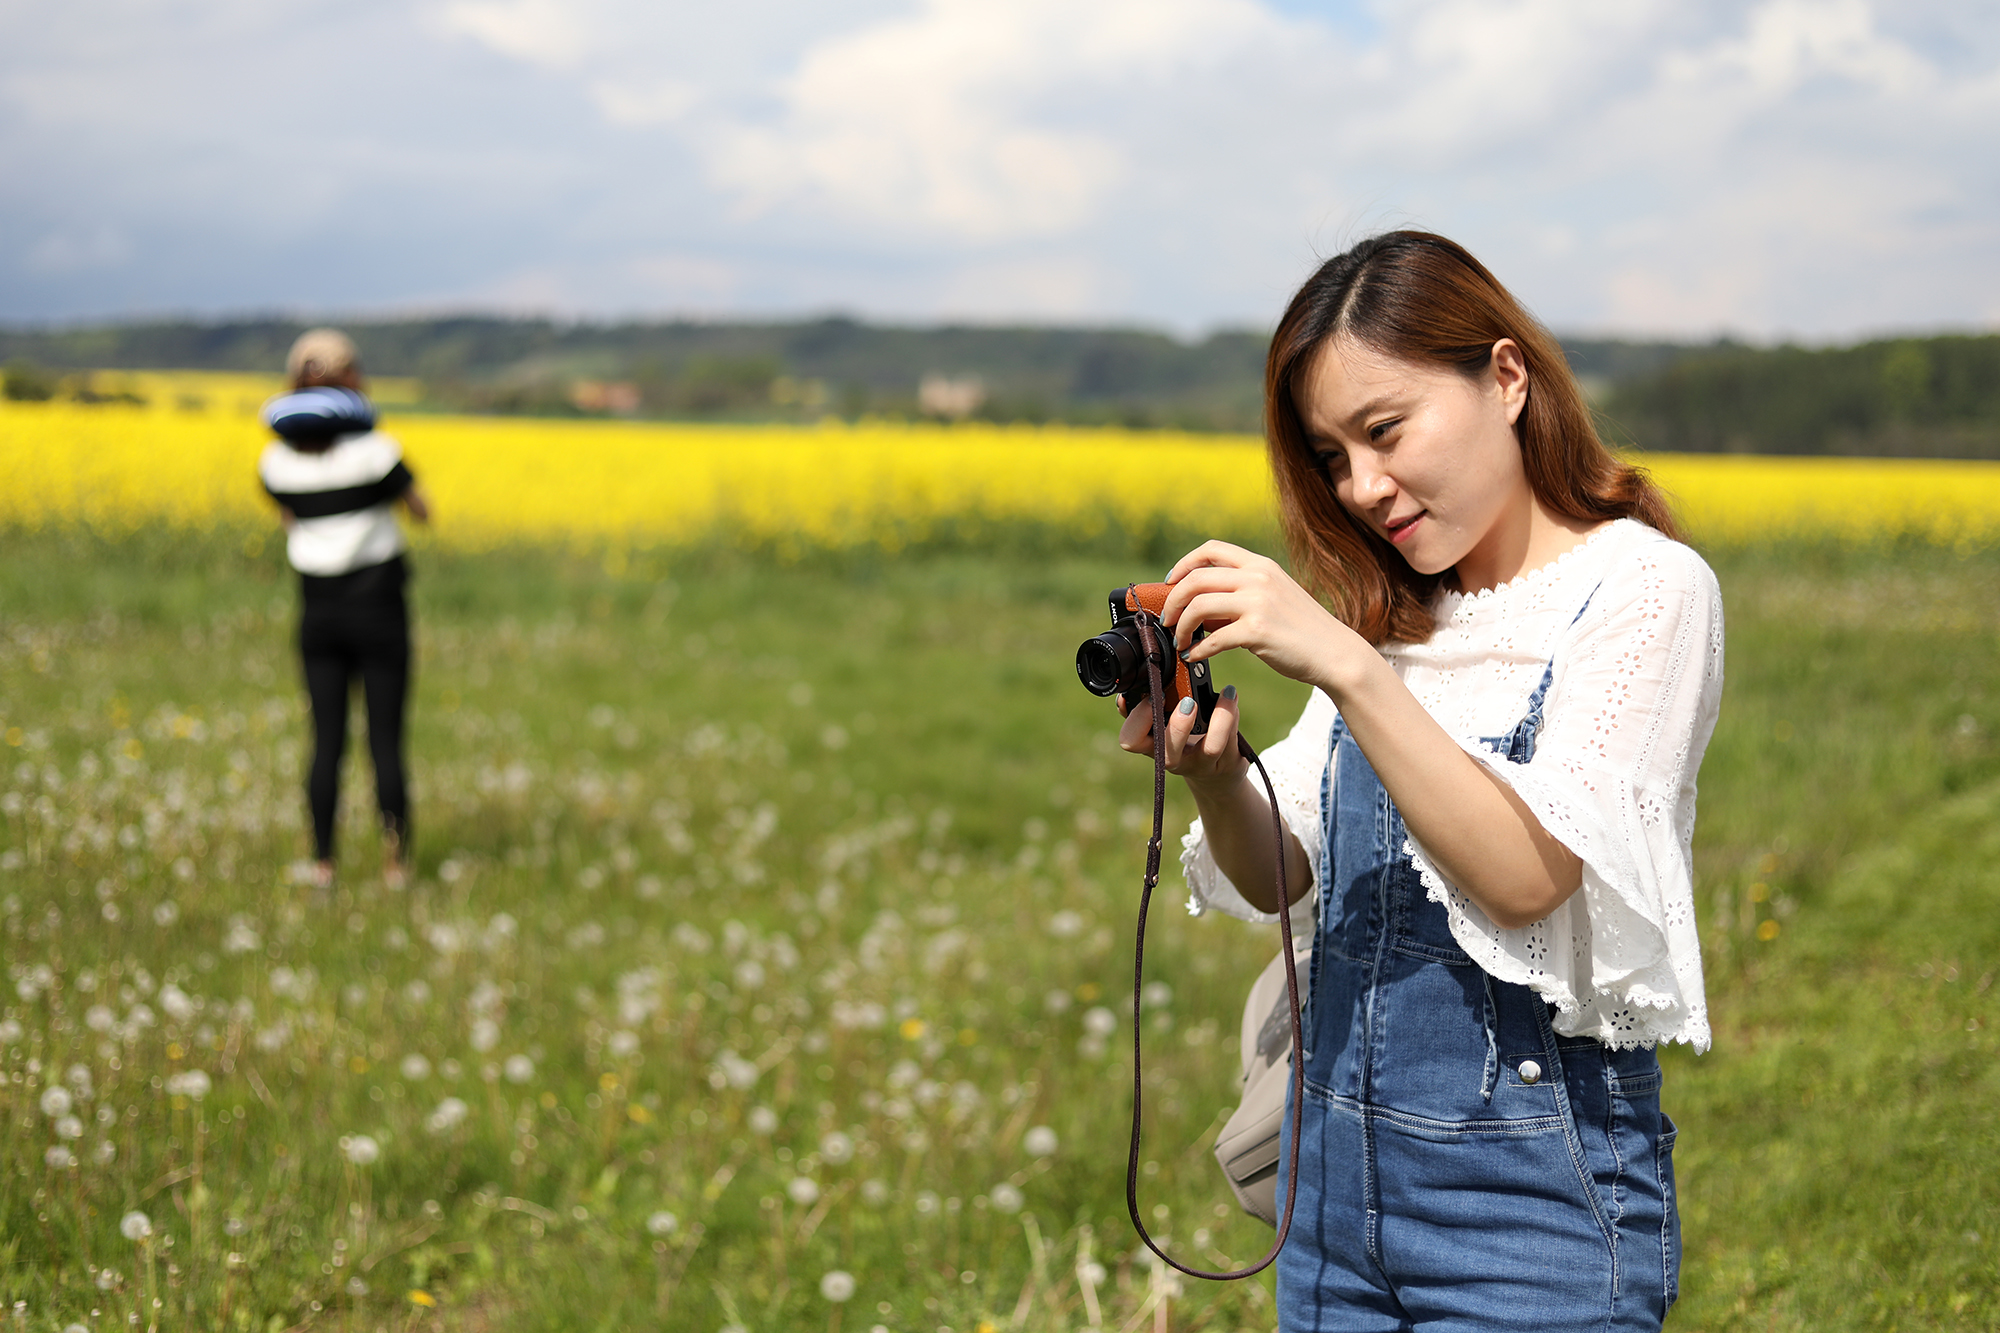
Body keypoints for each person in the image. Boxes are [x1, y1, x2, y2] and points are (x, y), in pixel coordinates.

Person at [1116, 232, 1722, 1332]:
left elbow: (1526, 875)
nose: (1363, 488)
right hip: (1327, 1193)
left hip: (1528, 1210)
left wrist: (1346, 668)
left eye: (1383, 432)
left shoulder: (1641, 590)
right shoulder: (1394, 611)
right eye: (1331, 457)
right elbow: (1279, 871)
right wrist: (1211, 778)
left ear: (1503, 376)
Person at [258, 328, 431, 889]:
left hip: (318, 615)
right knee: (385, 739)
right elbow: (420, 509)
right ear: (353, 381)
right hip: (379, 610)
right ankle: (396, 864)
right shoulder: (379, 454)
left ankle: (323, 863)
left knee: (325, 740)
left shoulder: (274, 464)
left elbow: (289, 518)